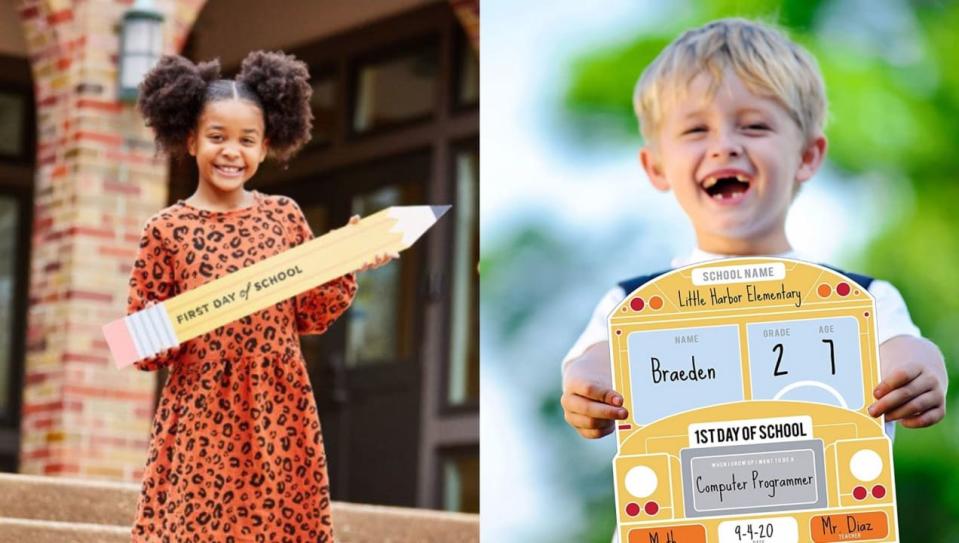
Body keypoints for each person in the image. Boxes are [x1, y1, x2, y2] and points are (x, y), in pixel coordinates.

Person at [561, 19, 947, 442]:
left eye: (754, 126)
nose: (724, 145)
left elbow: (905, 351)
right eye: (695, 129)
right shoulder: (632, 305)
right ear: (656, 166)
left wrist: (920, 371)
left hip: (830, 506)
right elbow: (594, 364)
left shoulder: (862, 300)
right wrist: (588, 387)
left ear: (806, 155)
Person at [129, 51, 393, 542]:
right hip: (201, 409)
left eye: (246, 140)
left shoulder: (284, 217)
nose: (232, 151)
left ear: (267, 145)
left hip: (278, 403)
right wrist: (171, 322)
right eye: (217, 137)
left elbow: (312, 311)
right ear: (188, 139)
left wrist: (348, 257)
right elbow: (146, 344)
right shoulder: (165, 231)